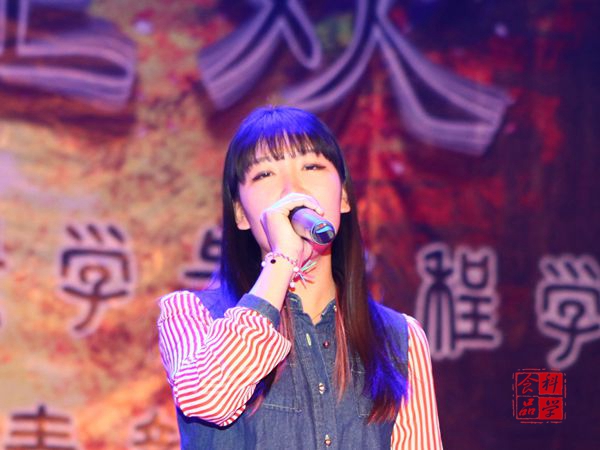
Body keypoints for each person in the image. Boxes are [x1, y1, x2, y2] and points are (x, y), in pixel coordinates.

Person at [157, 106, 443, 449]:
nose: (292, 189)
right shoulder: (189, 314)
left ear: (344, 197)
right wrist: (283, 259)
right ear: (241, 214)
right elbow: (209, 398)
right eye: (265, 174)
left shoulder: (401, 337)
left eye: (312, 167)